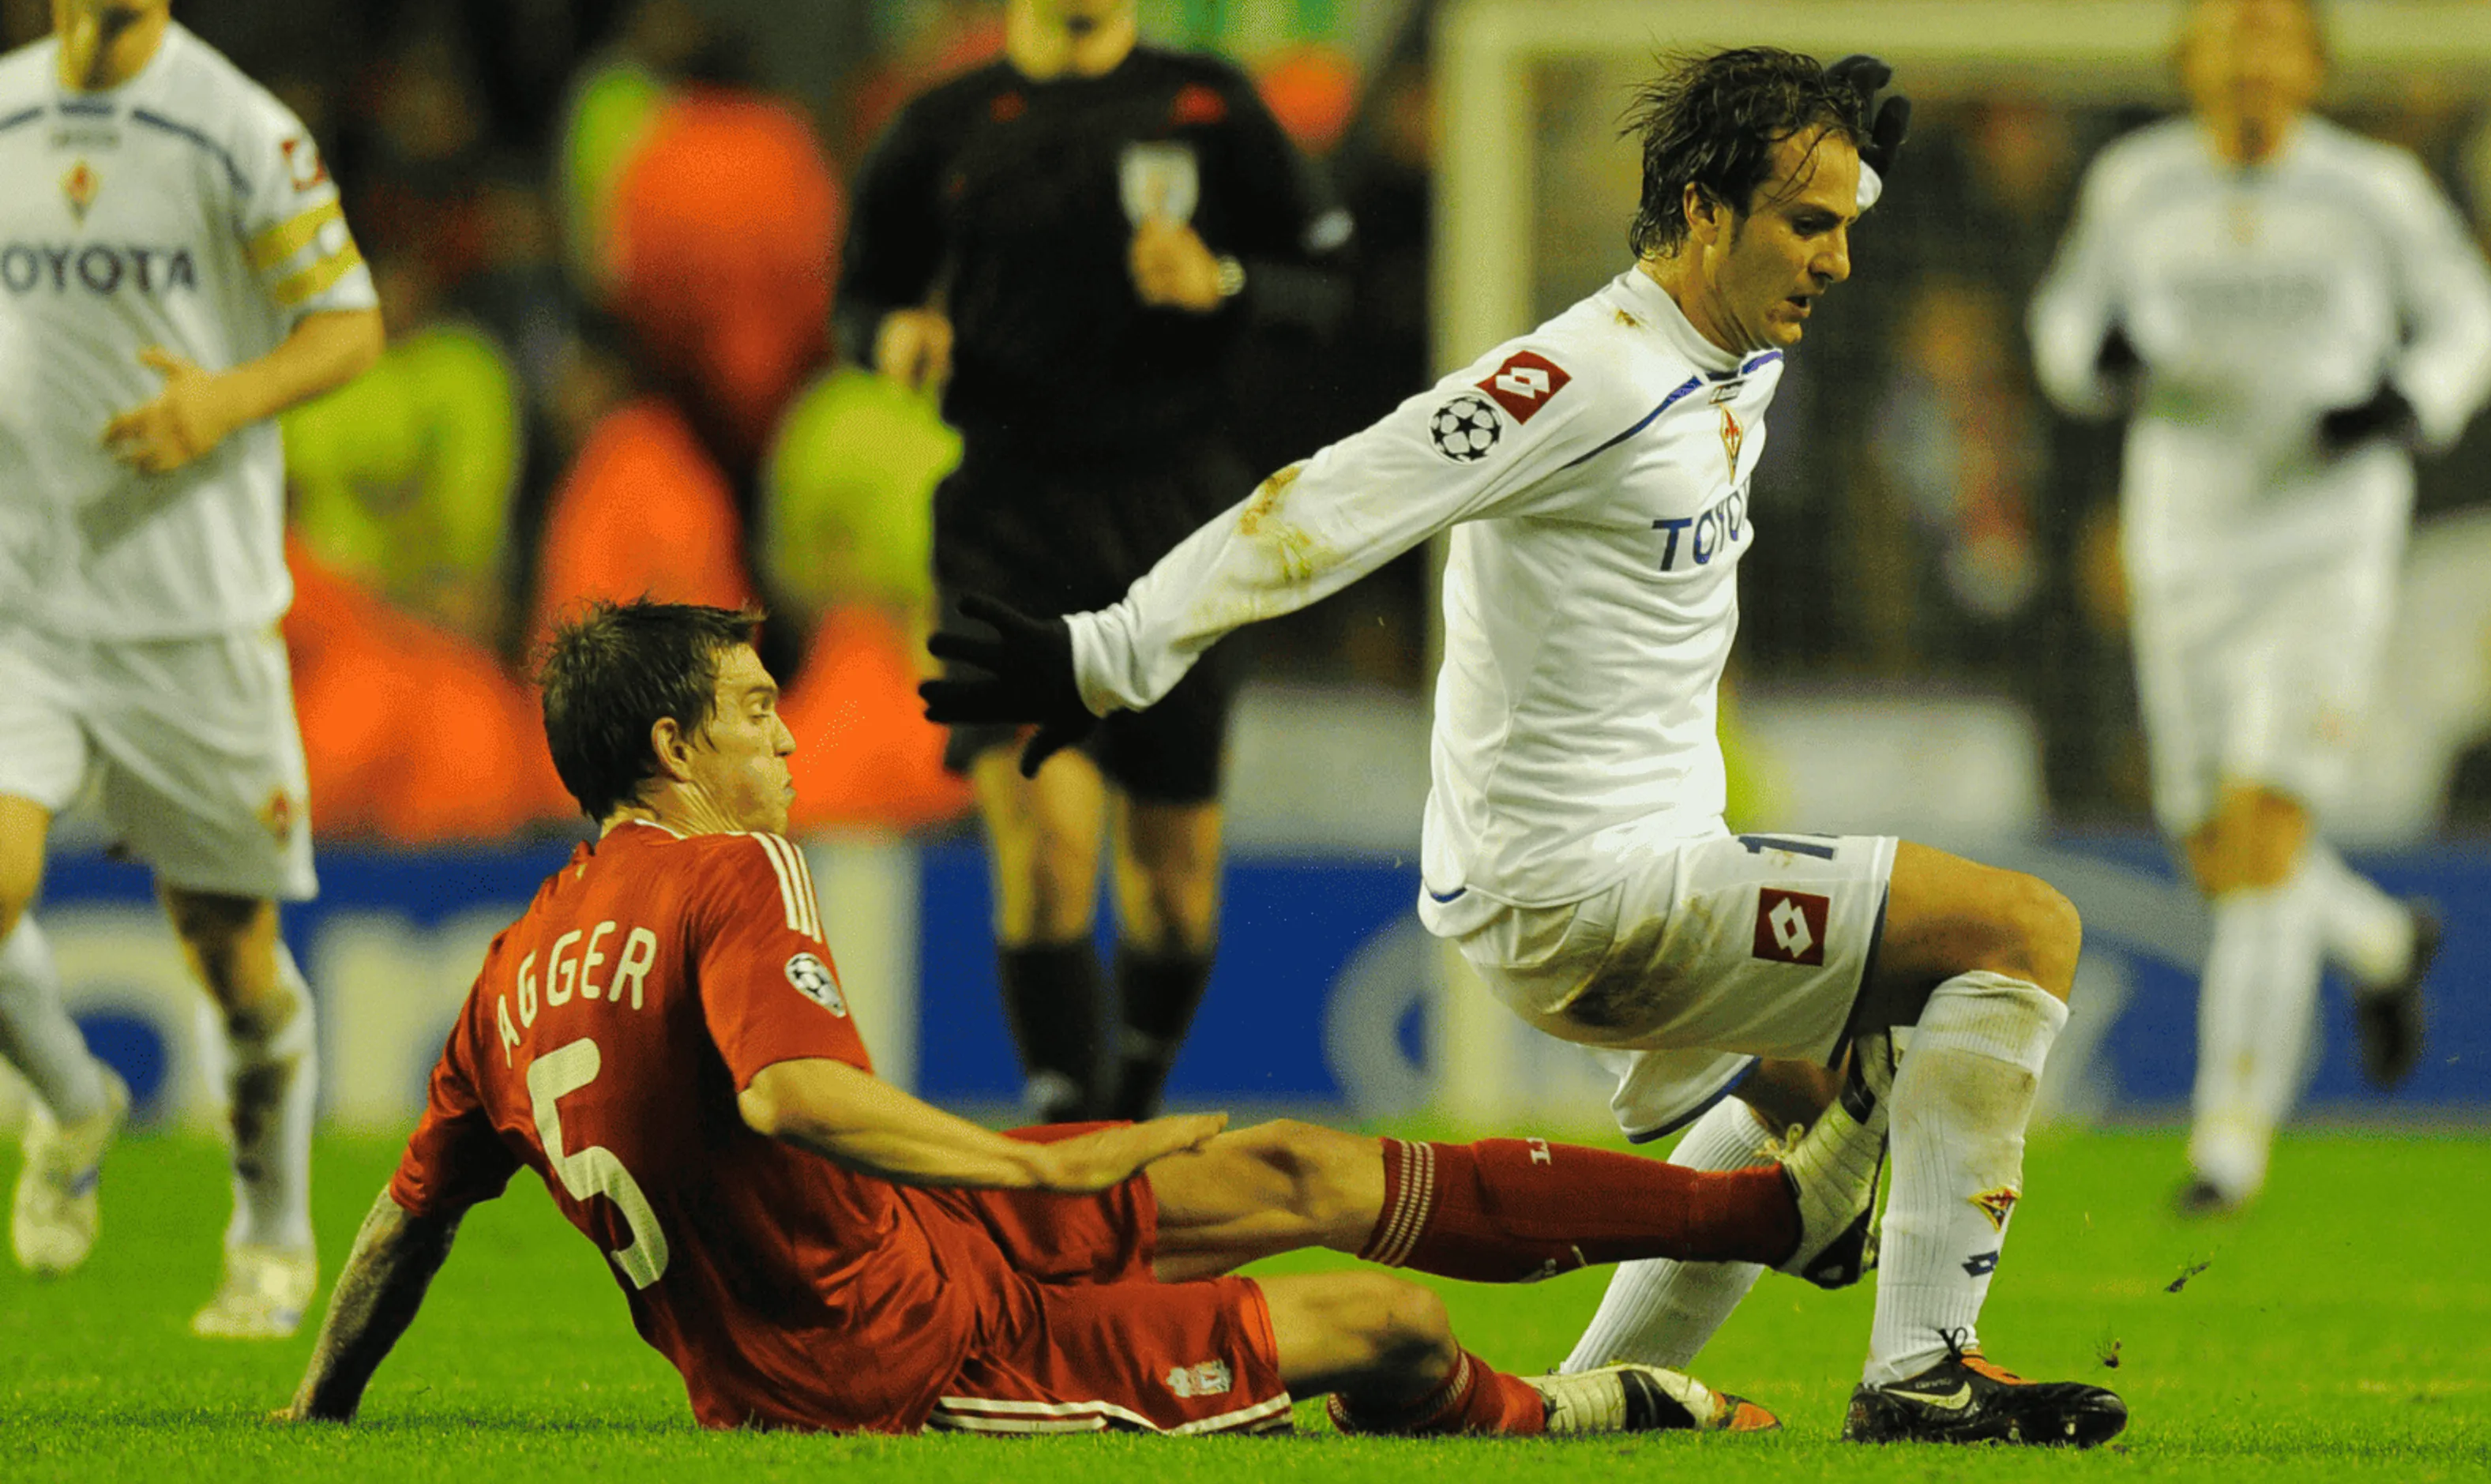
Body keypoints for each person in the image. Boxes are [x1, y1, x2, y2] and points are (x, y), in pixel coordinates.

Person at [927, 46, 2128, 1447]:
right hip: (1590, 892)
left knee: (1816, 1094)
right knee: (2021, 934)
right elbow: (1334, 494)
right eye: (1811, 226)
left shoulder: (1737, 345)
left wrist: (1843, 150)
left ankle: (1588, 1404)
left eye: (1849, 226)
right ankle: (1921, 1367)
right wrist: (1114, 649)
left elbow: (1791, 223)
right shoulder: (1583, 377)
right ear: (1697, 213)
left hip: (1626, 871)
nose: (1840, 263)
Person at [280, 600, 1877, 1437]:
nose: (788, 744)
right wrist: (1037, 1171)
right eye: (759, 711)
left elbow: (400, 1227)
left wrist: (317, 1409)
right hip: (885, 1362)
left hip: (909, 1235)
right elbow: (787, 1099)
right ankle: (1580, 1408)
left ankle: (1777, 1215)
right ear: (672, 743)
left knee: (1302, 1168)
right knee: (1390, 1330)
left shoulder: (507, 974)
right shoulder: (729, 870)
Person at [832, 0, 1351, 1125]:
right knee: (1048, 841)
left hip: (1179, 515)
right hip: (1006, 513)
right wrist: (891, 334)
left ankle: (1127, 1100)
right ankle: (1068, 1116)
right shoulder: (941, 127)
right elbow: (860, 293)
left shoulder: (1208, 107)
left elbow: (1333, 282)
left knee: (1174, 875)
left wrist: (1227, 282)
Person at [2028, 0, 2491, 1215]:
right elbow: (2067, 319)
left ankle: (2226, 1144)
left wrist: (2415, 396)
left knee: (2261, 831)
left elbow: (2473, 316)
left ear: (2312, 67)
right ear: (2188, 62)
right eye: (2227, 39)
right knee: (2214, 848)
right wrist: (2098, 362)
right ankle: (2381, 943)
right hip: (2184, 543)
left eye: (2274, 40)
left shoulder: (2373, 190)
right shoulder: (2136, 184)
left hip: (2323, 542)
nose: (2250, 60)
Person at [0, 0, 385, 1334]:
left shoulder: (239, 126)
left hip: (192, 618)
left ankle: (275, 1229)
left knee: (232, 959)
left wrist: (224, 398)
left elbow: (352, 325)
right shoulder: (6, 114)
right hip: (23, 603)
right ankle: (75, 1099)